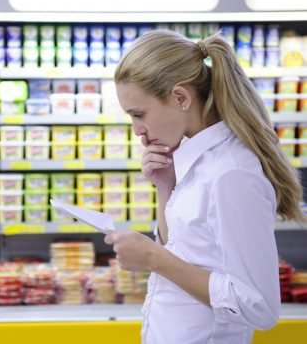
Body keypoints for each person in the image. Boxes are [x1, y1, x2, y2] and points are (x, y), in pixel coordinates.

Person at [104, 29, 306, 344]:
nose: (137, 131)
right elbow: (187, 249)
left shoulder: (232, 173)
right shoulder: (198, 161)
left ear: (181, 97)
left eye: (139, 115)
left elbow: (259, 307)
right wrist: (165, 188)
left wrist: (154, 258)